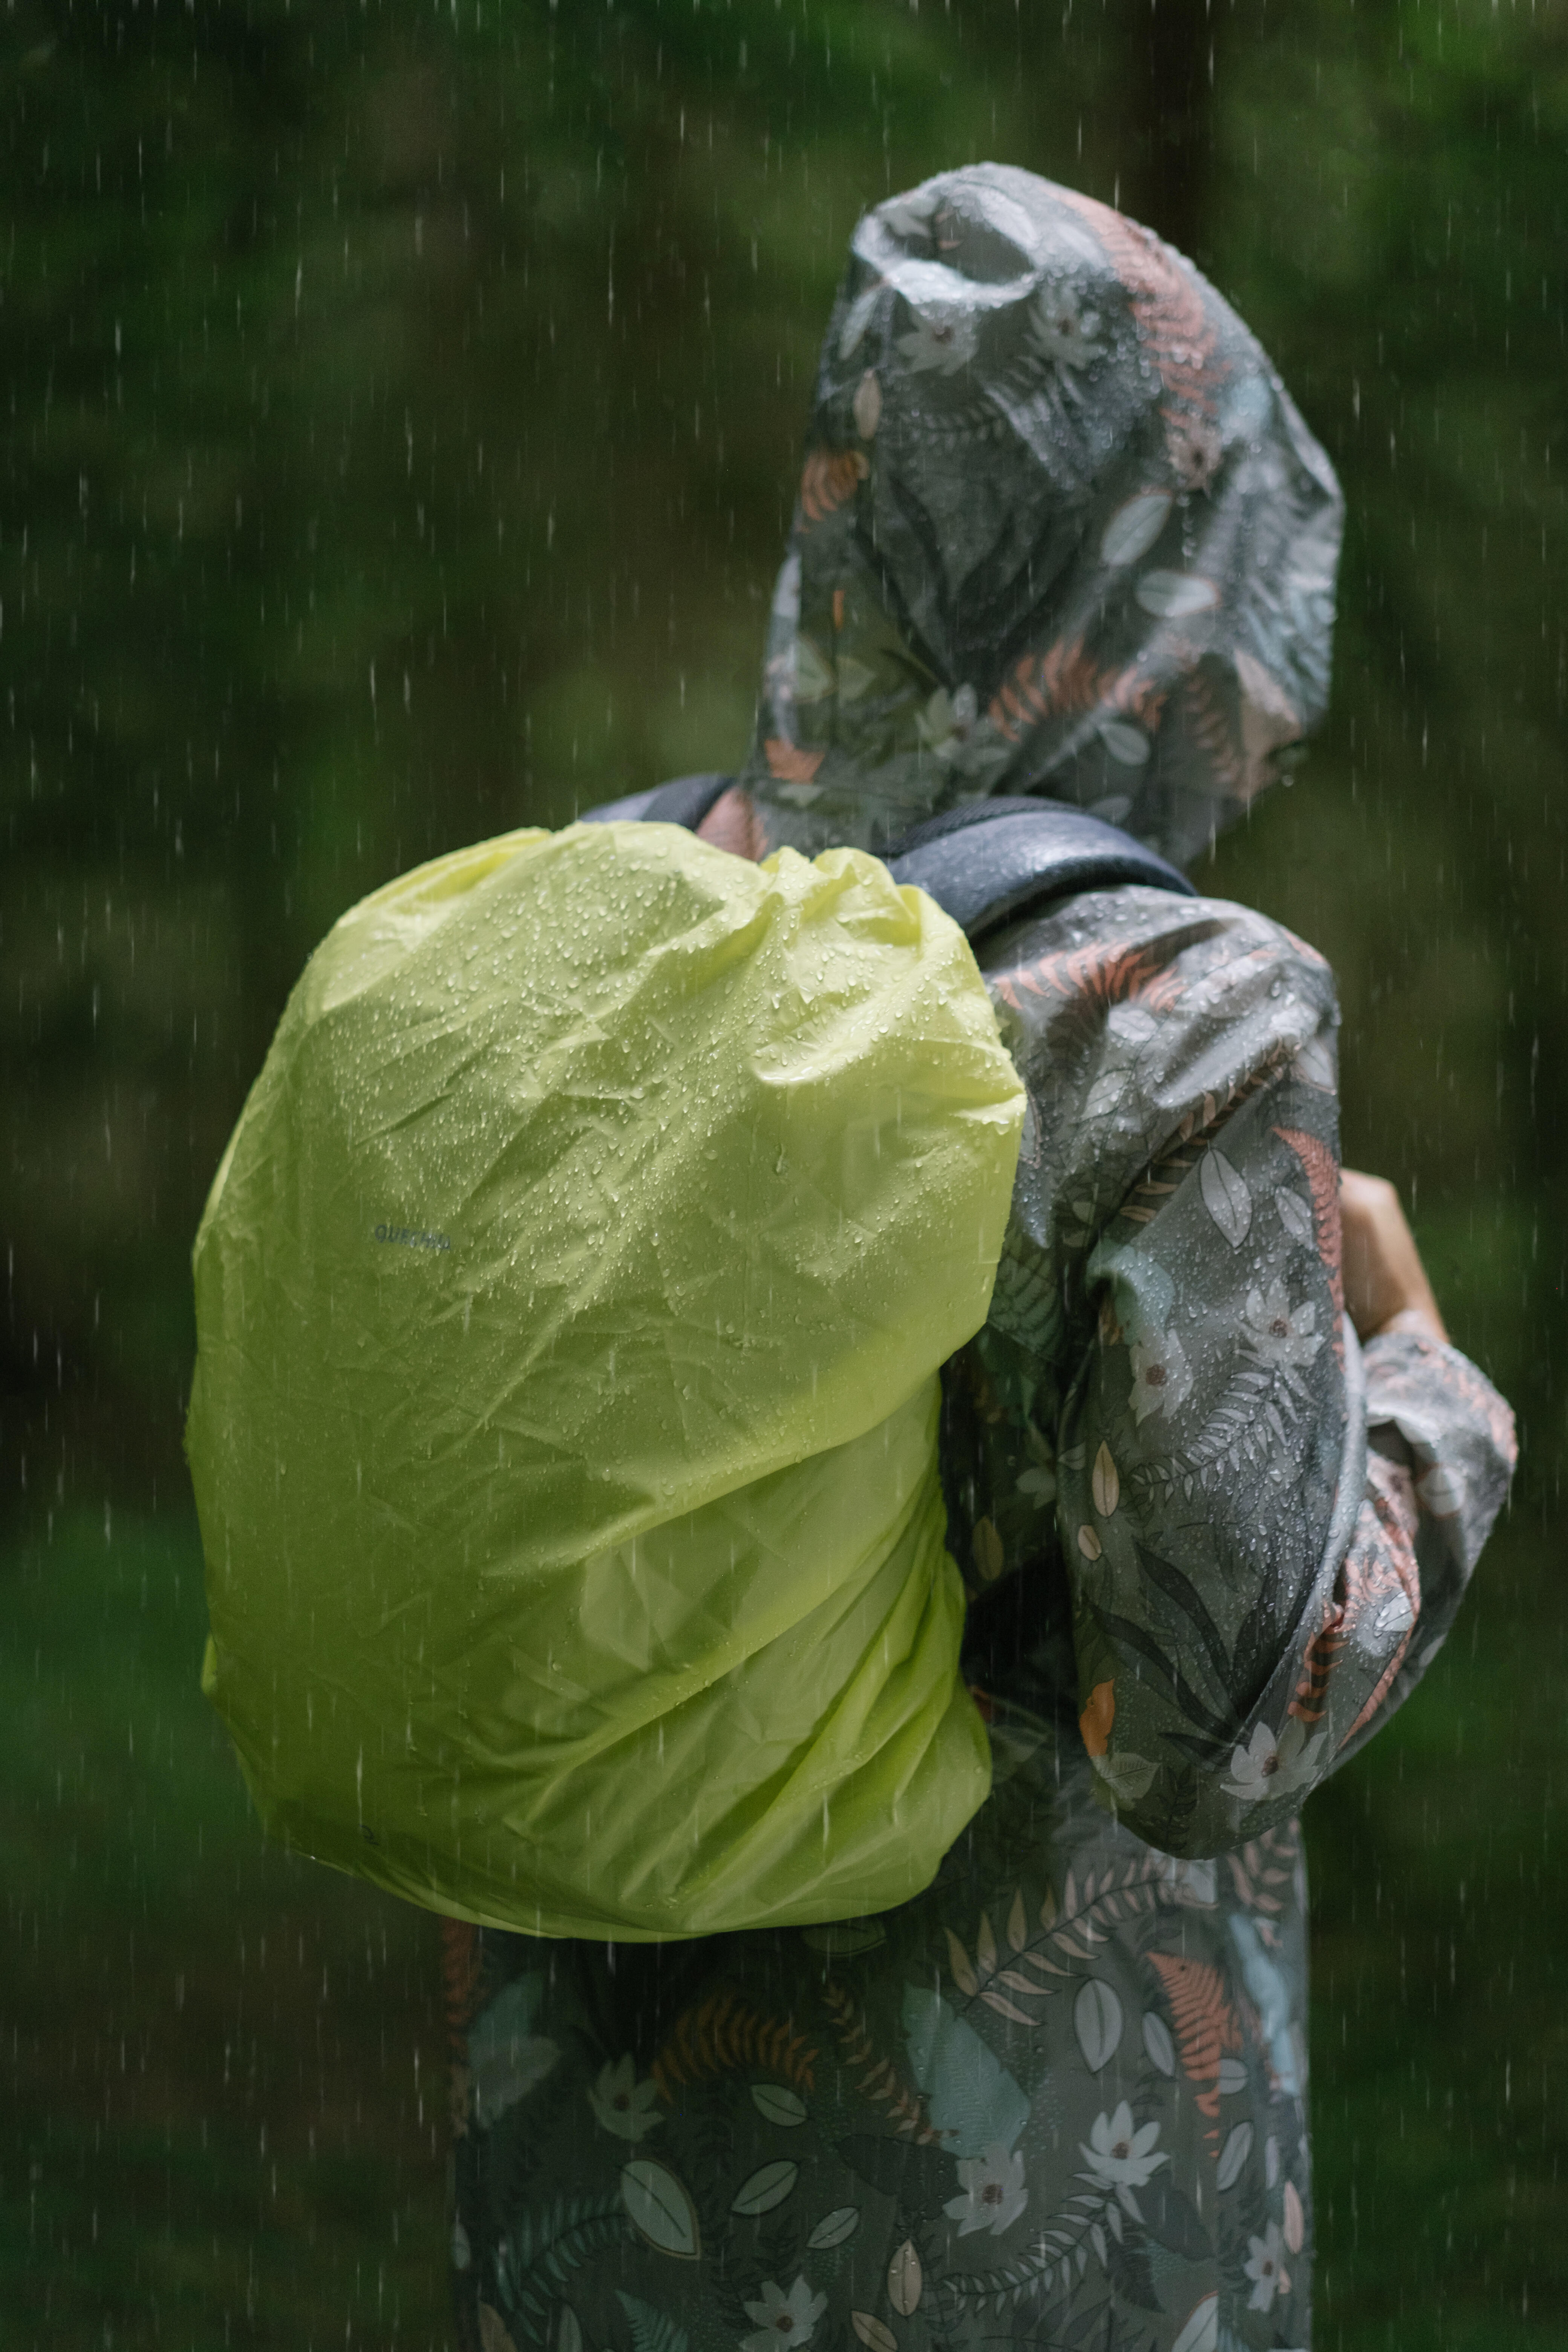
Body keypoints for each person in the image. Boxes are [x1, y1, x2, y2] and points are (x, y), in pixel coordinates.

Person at [445, 167, 1514, 2352]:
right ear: (1160, 558)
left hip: (590, 2207)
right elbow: (1224, 1718)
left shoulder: (593, 914)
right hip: (1032, 2207)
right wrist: (1422, 1384)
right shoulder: (1161, 1009)